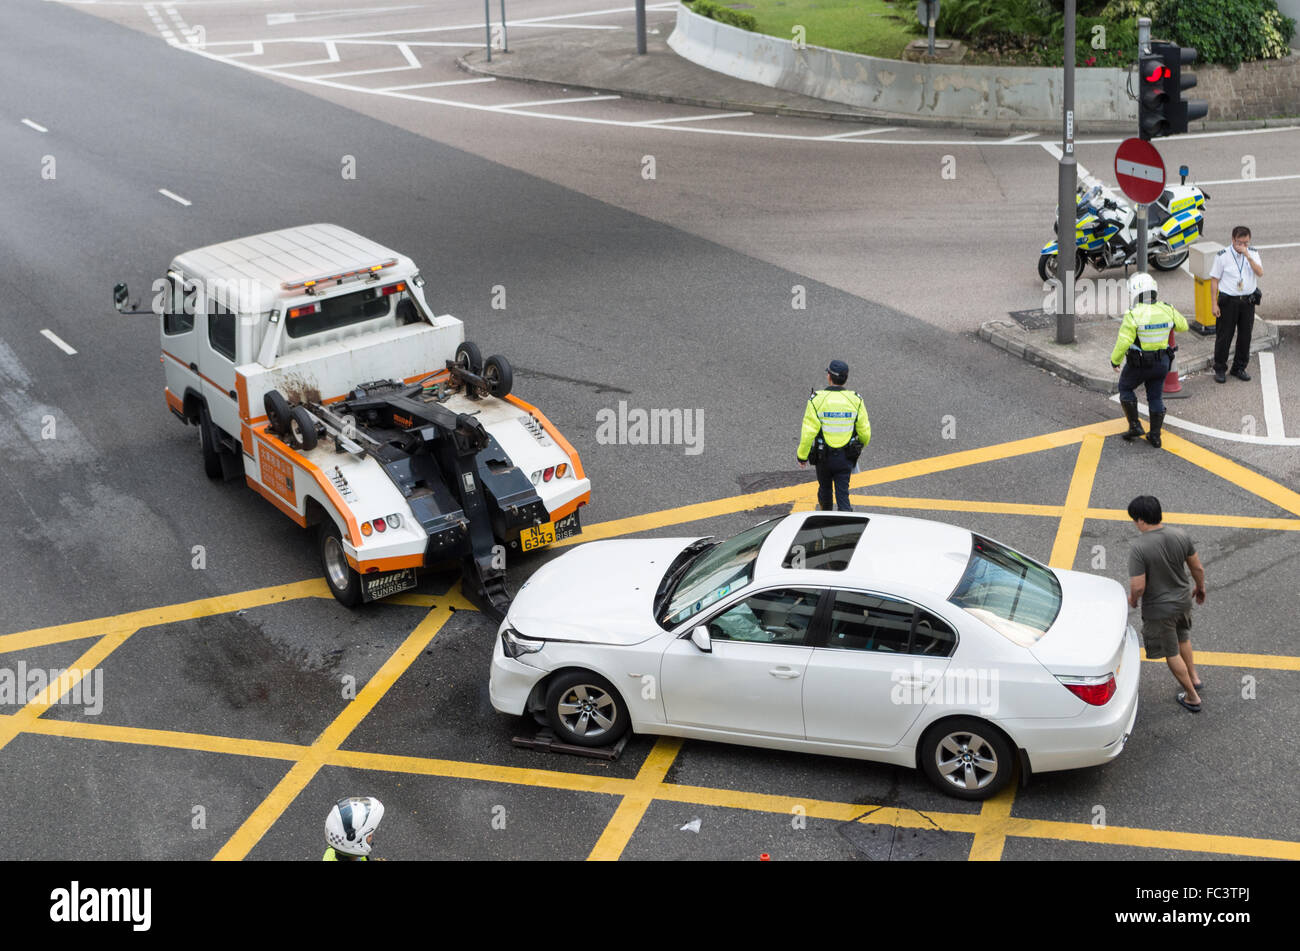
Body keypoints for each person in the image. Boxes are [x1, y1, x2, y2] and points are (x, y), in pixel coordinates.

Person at [1126, 496, 1206, 713]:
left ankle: (1192, 696)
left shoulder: (1139, 547)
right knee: (1183, 638)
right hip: (1182, 602)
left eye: (1135, 519)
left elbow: (1139, 585)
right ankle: (1194, 678)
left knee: (1171, 652)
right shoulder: (1180, 535)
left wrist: (1133, 599)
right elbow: (1197, 568)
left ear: (1141, 520)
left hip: (1159, 610)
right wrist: (1200, 588)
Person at [1110, 272, 1188, 448]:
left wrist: (1115, 361)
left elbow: (1124, 341)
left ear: (1136, 294)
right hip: (1161, 364)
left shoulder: (1133, 314)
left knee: (1125, 387)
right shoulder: (1167, 309)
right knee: (1155, 396)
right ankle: (1155, 436)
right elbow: (1183, 325)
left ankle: (1135, 426)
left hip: (1138, 364)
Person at [797, 359, 871, 511]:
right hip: (846, 458)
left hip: (823, 458)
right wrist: (860, 447)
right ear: (846, 378)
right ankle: (846, 527)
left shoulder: (816, 399)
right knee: (843, 495)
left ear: (829, 377)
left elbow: (808, 432)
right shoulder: (856, 399)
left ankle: (826, 520)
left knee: (825, 490)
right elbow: (865, 432)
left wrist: (802, 456)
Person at [1209, 226, 1263, 383]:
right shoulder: (1222, 256)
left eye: (1246, 243)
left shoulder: (1252, 253)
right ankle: (1220, 368)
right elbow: (1214, 280)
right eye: (1240, 243)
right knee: (1224, 336)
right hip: (1228, 302)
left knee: (1245, 336)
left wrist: (1248, 256)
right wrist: (1214, 304)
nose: (1243, 246)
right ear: (1233, 240)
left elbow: (1260, 272)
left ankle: (1239, 367)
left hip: (1247, 301)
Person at [323, 796, 385, 861]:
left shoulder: (336, 848)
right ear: (357, 844)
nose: (372, 835)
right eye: (369, 835)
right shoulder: (344, 847)